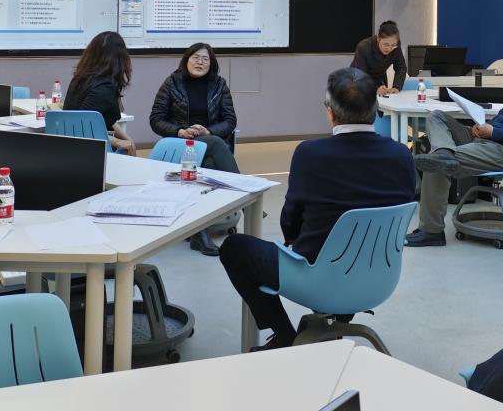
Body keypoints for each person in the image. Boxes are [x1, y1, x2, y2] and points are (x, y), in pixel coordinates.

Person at [218, 68, 416, 351]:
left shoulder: (310, 154)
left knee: (233, 248)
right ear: (375, 109)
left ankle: (284, 335)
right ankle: (335, 322)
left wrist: (293, 241)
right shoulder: (402, 155)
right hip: (380, 279)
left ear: (330, 112)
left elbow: (291, 222)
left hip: (318, 278)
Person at [406, 45, 503, 248]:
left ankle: (431, 231)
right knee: (436, 116)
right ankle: (444, 153)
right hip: (487, 141)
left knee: (435, 165)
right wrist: (481, 128)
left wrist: (493, 132)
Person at [149, 42, 242, 256]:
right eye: (196, 58)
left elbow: (230, 120)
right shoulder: (172, 83)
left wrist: (209, 131)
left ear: (211, 63)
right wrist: (180, 131)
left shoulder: (219, 85)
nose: (200, 62)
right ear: (186, 60)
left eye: (205, 59)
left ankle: (199, 233)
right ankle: (245, 197)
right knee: (215, 146)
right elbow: (156, 119)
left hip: (208, 142)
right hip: (182, 144)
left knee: (208, 163)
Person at [63, 30, 136, 155]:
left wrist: (128, 139)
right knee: (126, 150)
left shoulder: (79, 79)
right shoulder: (104, 88)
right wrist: (117, 142)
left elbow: (104, 118)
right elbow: (81, 131)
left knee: (128, 145)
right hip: (89, 152)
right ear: (119, 59)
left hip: (70, 148)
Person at [351, 20, 407, 95]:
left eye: (393, 45)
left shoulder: (396, 45)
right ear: (378, 38)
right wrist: (374, 90)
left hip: (380, 79)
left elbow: (401, 67)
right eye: (386, 44)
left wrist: (396, 87)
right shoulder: (363, 47)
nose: (389, 48)